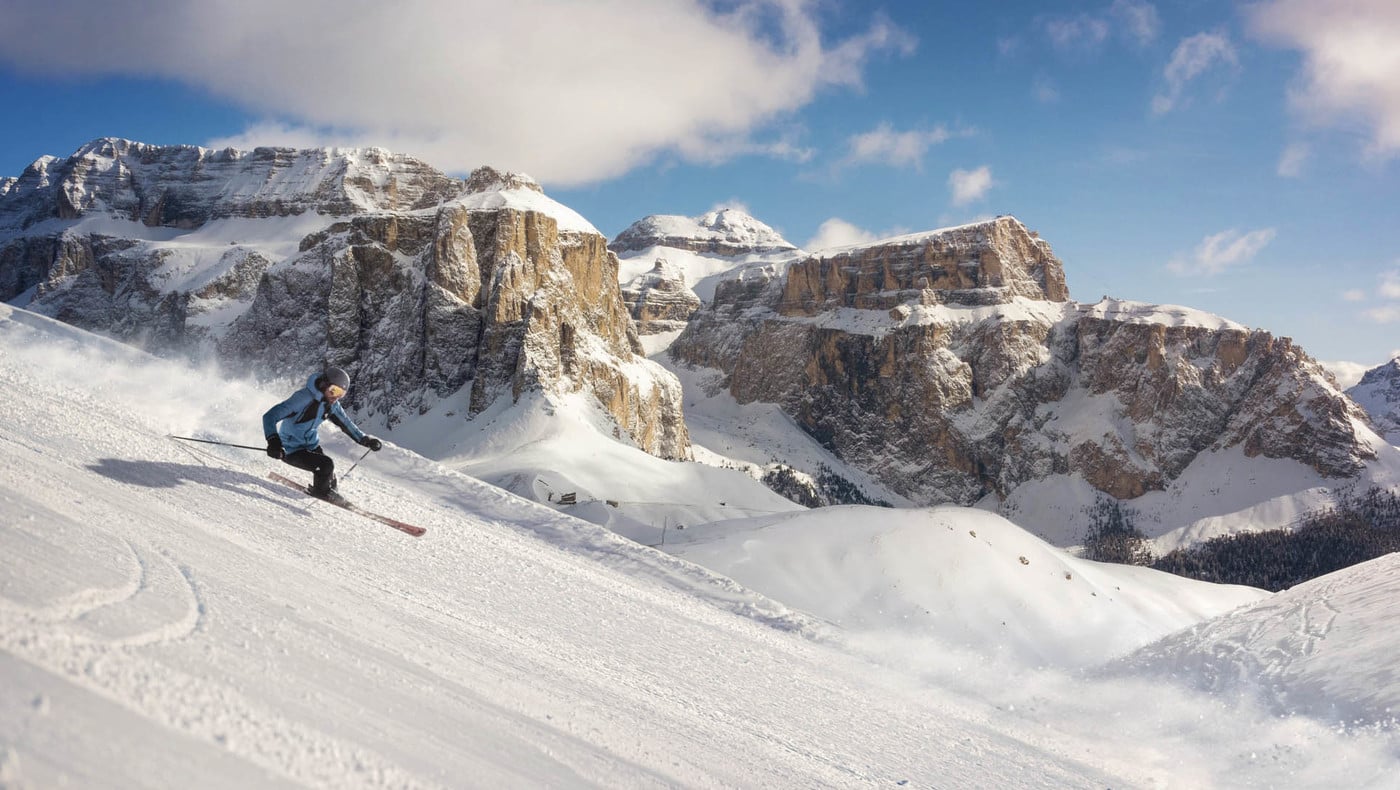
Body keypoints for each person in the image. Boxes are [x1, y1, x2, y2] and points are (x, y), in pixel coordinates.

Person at [263, 366, 382, 498]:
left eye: (341, 394)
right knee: (325, 465)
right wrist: (273, 442)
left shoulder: (331, 405)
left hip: (310, 446)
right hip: (289, 449)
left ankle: (329, 493)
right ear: (323, 384)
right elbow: (270, 416)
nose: (335, 397)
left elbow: (346, 423)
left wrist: (365, 440)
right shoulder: (302, 399)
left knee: (330, 476)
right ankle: (322, 493)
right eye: (333, 391)